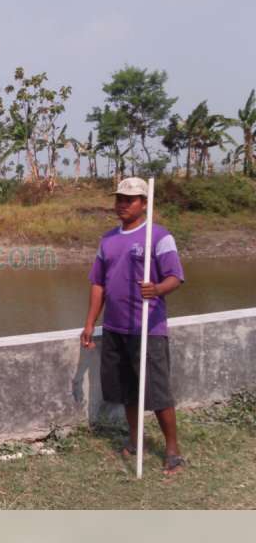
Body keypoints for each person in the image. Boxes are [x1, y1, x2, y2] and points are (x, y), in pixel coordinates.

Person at [80, 177, 186, 475]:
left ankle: (173, 451)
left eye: (130, 199)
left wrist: (157, 289)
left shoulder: (159, 236)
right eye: (120, 199)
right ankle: (135, 439)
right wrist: (90, 323)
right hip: (115, 328)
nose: (123, 204)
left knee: (158, 392)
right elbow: (98, 283)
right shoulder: (108, 240)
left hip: (147, 329)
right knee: (127, 390)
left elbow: (175, 277)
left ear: (144, 203)